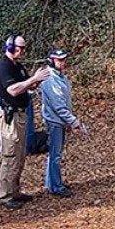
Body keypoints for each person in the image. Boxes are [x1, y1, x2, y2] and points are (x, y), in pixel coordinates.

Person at [0, 33, 50, 209]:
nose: (23, 51)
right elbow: (12, 90)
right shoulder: (3, 66)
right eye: (20, 48)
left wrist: (37, 80)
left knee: (20, 155)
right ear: (10, 48)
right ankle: (4, 195)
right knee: (10, 155)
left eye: (24, 48)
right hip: (10, 117)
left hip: (20, 114)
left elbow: (26, 85)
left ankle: (14, 190)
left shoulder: (17, 66)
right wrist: (33, 79)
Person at [41, 49, 86, 197]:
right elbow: (58, 106)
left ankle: (51, 183)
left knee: (55, 154)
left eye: (63, 59)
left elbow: (65, 103)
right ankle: (56, 187)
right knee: (55, 155)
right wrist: (73, 122)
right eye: (58, 60)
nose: (62, 62)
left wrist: (68, 121)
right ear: (52, 61)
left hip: (60, 121)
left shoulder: (61, 77)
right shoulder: (51, 79)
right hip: (54, 121)